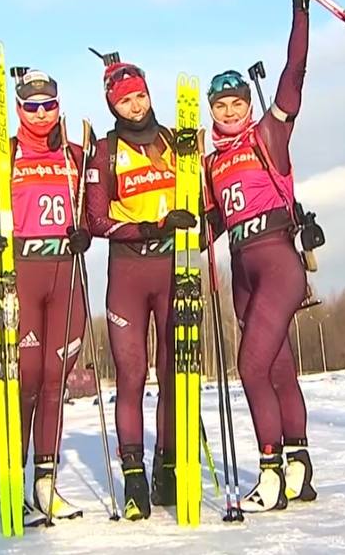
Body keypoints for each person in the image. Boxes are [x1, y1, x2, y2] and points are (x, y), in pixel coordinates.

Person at [200, 0, 316, 513]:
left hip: (277, 262)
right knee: (276, 368)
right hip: (240, 266)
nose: (229, 112)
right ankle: (299, 464)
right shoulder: (211, 161)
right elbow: (211, 223)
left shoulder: (269, 133)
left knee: (250, 367)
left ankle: (270, 471)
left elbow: (293, 72)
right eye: (220, 105)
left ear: (247, 103)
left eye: (236, 102)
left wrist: (300, 8)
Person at [0, 69, 89, 520]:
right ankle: (14, 482)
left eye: (48, 105)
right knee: (27, 381)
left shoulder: (76, 154)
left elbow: (95, 213)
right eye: (31, 106)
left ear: (58, 106)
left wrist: (84, 233)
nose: (41, 113)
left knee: (56, 381)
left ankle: (46, 483)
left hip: (65, 276)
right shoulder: (2, 155)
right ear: (18, 110)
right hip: (24, 275)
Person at [81, 56, 196, 521]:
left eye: (141, 96)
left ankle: (168, 467)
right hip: (129, 273)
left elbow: (204, 203)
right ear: (113, 105)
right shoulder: (106, 152)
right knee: (132, 376)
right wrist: (151, 226)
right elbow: (97, 220)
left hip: (174, 271)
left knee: (174, 374)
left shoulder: (174, 141)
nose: (135, 106)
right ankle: (134, 476)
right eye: (125, 100)